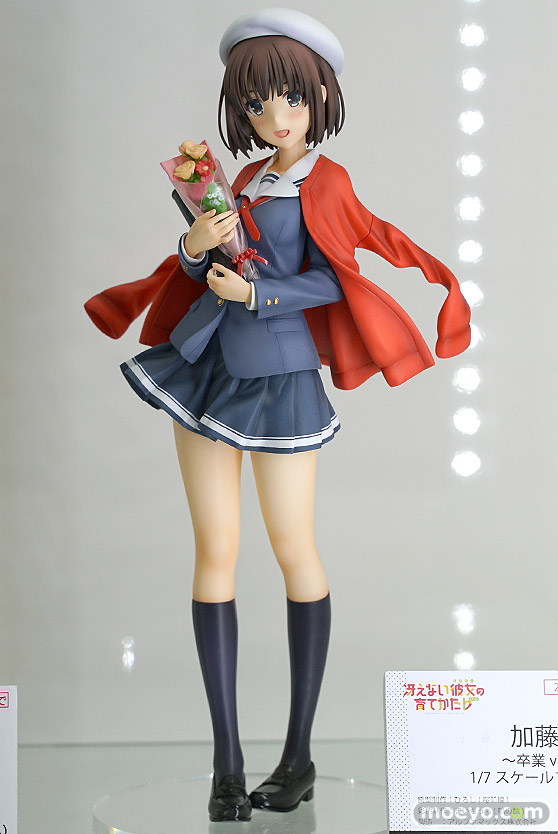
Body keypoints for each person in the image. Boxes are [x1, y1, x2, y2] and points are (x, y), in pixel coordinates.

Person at [85, 8, 471, 823]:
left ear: (319, 96)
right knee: (215, 551)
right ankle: (227, 765)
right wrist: (197, 246)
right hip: (208, 367)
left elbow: (334, 277)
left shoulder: (327, 181)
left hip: (282, 377)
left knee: (295, 549)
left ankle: (298, 757)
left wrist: (257, 292)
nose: (274, 116)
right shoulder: (246, 177)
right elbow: (203, 266)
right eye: (257, 102)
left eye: (289, 97)